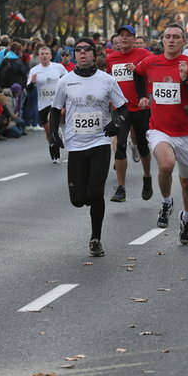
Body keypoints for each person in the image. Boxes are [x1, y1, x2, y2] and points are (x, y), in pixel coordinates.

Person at [50, 37, 128, 257]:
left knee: (96, 192)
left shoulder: (107, 80)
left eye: (87, 50)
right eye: (78, 50)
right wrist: (54, 139)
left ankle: (96, 238)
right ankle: (86, 200)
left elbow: (123, 108)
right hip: (75, 145)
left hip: (100, 143)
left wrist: (116, 123)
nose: (82, 53)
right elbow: (55, 111)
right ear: (74, 54)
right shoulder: (65, 81)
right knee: (77, 200)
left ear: (94, 54)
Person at [134, 23, 188, 244]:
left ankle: (186, 217)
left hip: (186, 133)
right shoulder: (151, 61)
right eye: (168, 36)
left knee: (187, 183)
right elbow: (137, 74)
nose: (172, 40)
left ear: (183, 41)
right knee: (166, 165)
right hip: (159, 129)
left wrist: (185, 80)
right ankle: (166, 201)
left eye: (176, 37)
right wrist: (142, 96)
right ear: (162, 40)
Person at [105, 25, 153, 202]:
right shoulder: (111, 58)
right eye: (121, 35)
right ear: (117, 39)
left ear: (134, 39)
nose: (124, 38)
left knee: (142, 144)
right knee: (121, 145)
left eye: (128, 36)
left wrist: (139, 68)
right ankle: (121, 188)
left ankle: (147, 176)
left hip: (140, 108)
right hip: (121, 108)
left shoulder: (144, 55)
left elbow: (155, 69)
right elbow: (108, 79)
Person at [27, 45, 67, 159]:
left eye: (46, 54)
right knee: (48, 130)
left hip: (56, 102)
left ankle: (56, 133)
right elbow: (28, 90)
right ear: (39, 57)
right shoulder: (34, 71)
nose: (44, 56)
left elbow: (67, 81)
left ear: (50, 56)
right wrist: (32, 83)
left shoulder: (58, 67)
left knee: (51, 121)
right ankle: (53, 143)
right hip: (42, 104)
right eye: (42, 54)